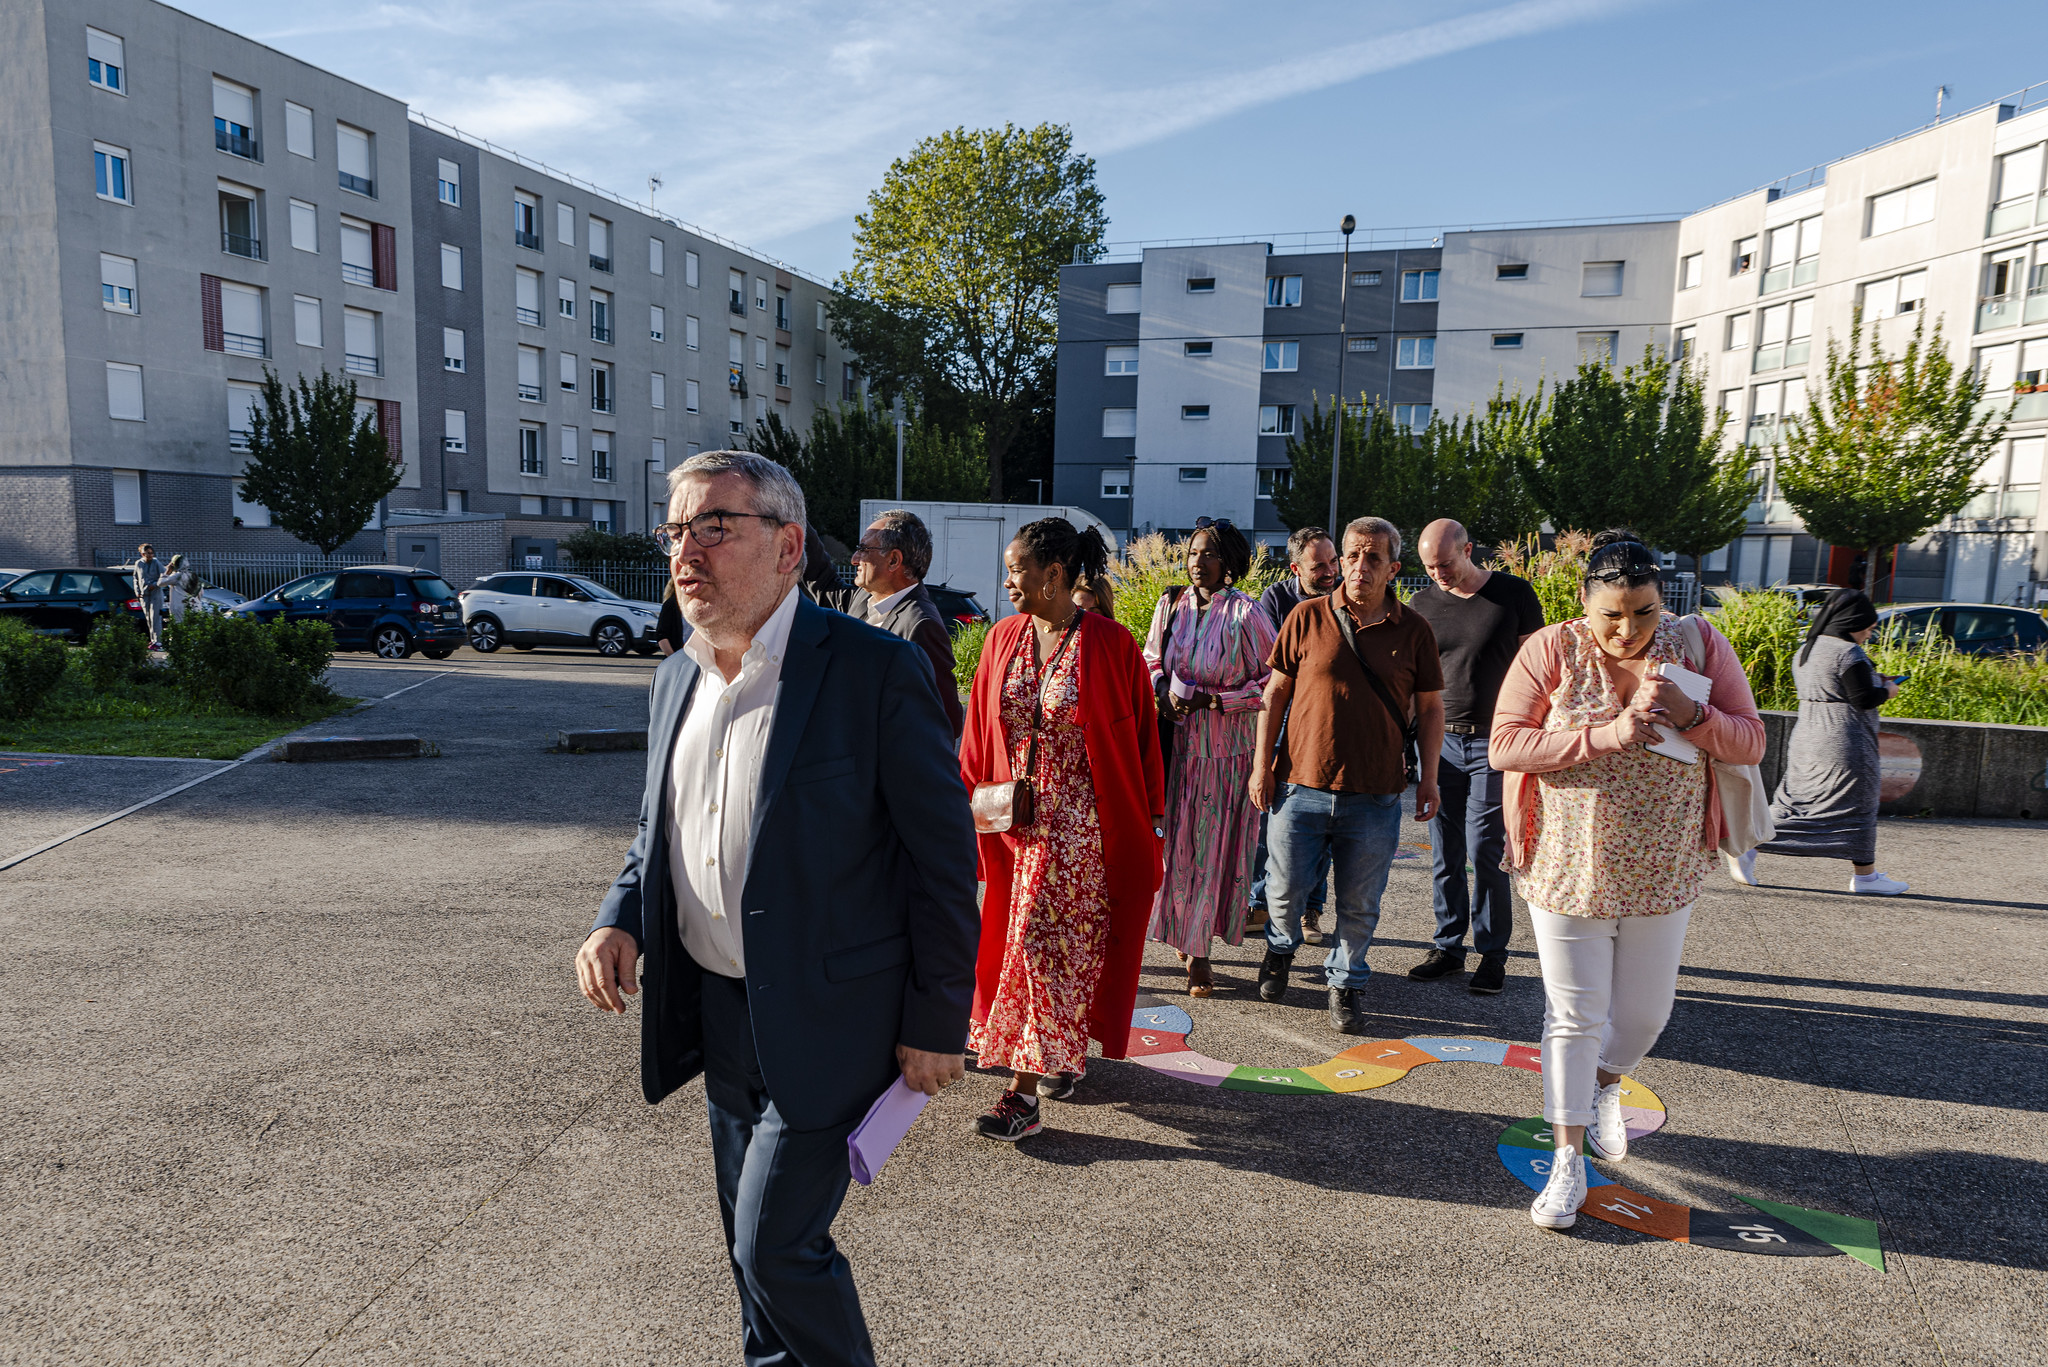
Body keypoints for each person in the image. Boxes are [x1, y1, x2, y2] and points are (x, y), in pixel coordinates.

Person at [574, 450, 979, 1367]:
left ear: (789, 545)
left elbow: (945, 860)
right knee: (743, 1254)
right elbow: (656, 835)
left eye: (716, 525)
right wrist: (618, 916)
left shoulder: (870, 672)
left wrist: (937, 1019)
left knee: (776, 1247)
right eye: (676, 529)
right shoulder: (675, 678)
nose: (687, 549)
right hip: (718, 1012)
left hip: (835, 1016)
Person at [1489, 530, 1764, 1231]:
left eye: (1642, 611)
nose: (1627, 629)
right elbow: (1506, 744)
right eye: (1612, 612)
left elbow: (1752, 738)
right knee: (1574, 1016)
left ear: (1660, 600)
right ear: (1585, 602)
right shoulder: (1550, 649)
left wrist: (1694, 716)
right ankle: (1566, 1163)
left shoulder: (1697, 641)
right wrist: (1608, 734)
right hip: (1567, 868)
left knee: (1644, 1016)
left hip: (1662, 868)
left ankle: (1607, 1083)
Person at [959, 517, 1163, 1137]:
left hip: (1081, 829)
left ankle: (1022, 1092)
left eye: (1016, 568)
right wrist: (963, 800)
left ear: (1052, 574)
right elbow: (978, 732)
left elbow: (1141, 737)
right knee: (1030, 946)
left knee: (1042, 948)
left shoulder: (1110, 642)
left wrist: (1148, 813)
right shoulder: (1002, 638)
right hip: (1014, 827)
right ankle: (1053, 1053)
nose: (1008, 580)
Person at [1249, 516, 1443, 1034]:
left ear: (1393, 569)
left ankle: (1346, 982)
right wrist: (1260, 765)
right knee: (1284, 892)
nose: (1358, 566)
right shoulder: (1307, 617)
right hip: (1299, 785)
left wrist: (1428, 778)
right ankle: (1280, 948)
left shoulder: (1415, 631)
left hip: (1375, 794)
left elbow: (1430, 710)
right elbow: (1274, 695)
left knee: (1359, 902)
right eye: (1352, 555)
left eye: (1373, 558)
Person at [1407, 518, 1546, 995]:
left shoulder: (1514, 595)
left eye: (1445, 564)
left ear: (1468, 550)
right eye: (1429, 567)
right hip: (1440, 741)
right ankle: (1448, 948)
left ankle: (1492, 955)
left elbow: (1539, 667)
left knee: (1485, 848)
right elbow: (1413, 680)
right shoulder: (1421, 605)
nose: (1438, 574)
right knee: (1444, 850)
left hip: (1495, 741)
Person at [1143, 518, 1277, 996]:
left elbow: (1273, 681)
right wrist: (1162, 688)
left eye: (1209, 555)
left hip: (1225, 755)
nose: (1197, 563)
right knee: (1175, 850)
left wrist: (1216, 700)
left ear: (1229, 563)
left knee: (1210, 851)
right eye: (1193, 553)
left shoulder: (1247, 614)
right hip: (1175, 750)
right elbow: (1151, 657)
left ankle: (1200, 954)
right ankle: (1185, 931)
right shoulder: (1171, 604)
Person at [1732, 587, 1907, 894]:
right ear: (1852, 621)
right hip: (1844, 740)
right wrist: (1888, 690)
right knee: (1858, 804)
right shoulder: (1848, 652)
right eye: (1867, 625)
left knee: (1792, 802)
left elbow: (1835, 686)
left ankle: (1751, 844)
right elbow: (1864, 699)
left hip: (1808, 736)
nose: (1870, 632)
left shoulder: (1808, 649)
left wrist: (1872, 679)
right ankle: (1864, 878)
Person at [1250, 526, 1341, 936]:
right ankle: (1259, 902)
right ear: (1295, 567)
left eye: (1333, 561)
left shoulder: (1344, 599)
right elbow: (1271, 668)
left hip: (1326, 721)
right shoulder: (1277, 600)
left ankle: (1311, 909)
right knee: (1268, 812)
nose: (1330, 571)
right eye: (1318, 565)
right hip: (1284, 715)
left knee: (1322, 816)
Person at [805, 510, 965, 738]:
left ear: (893, 560)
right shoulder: (863, 599)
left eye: (863, 549)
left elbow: (945, 721)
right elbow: (821, 579)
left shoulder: (920, 625)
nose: (854, 559)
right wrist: (793, 515)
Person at [131, 544, 163, 648]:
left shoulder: (156, 562)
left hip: (155, 593)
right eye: (147, 553)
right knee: (148, 617)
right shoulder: (138, 563)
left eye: (151, 553)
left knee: (155, 617)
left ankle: (158, 641)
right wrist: (137, 591)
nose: (150, 555)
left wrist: (154, 585)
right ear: (142, 554)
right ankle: (152, 639)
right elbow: (136, 578)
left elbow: (163, 576)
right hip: (144, 594)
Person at [162, 553, 201, 622]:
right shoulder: (193, 575)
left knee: (180, 626)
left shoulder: (176, 576)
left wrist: (167, 572)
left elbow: (161, 583)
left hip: (179, 607)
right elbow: (200, 591)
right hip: (194, 604)